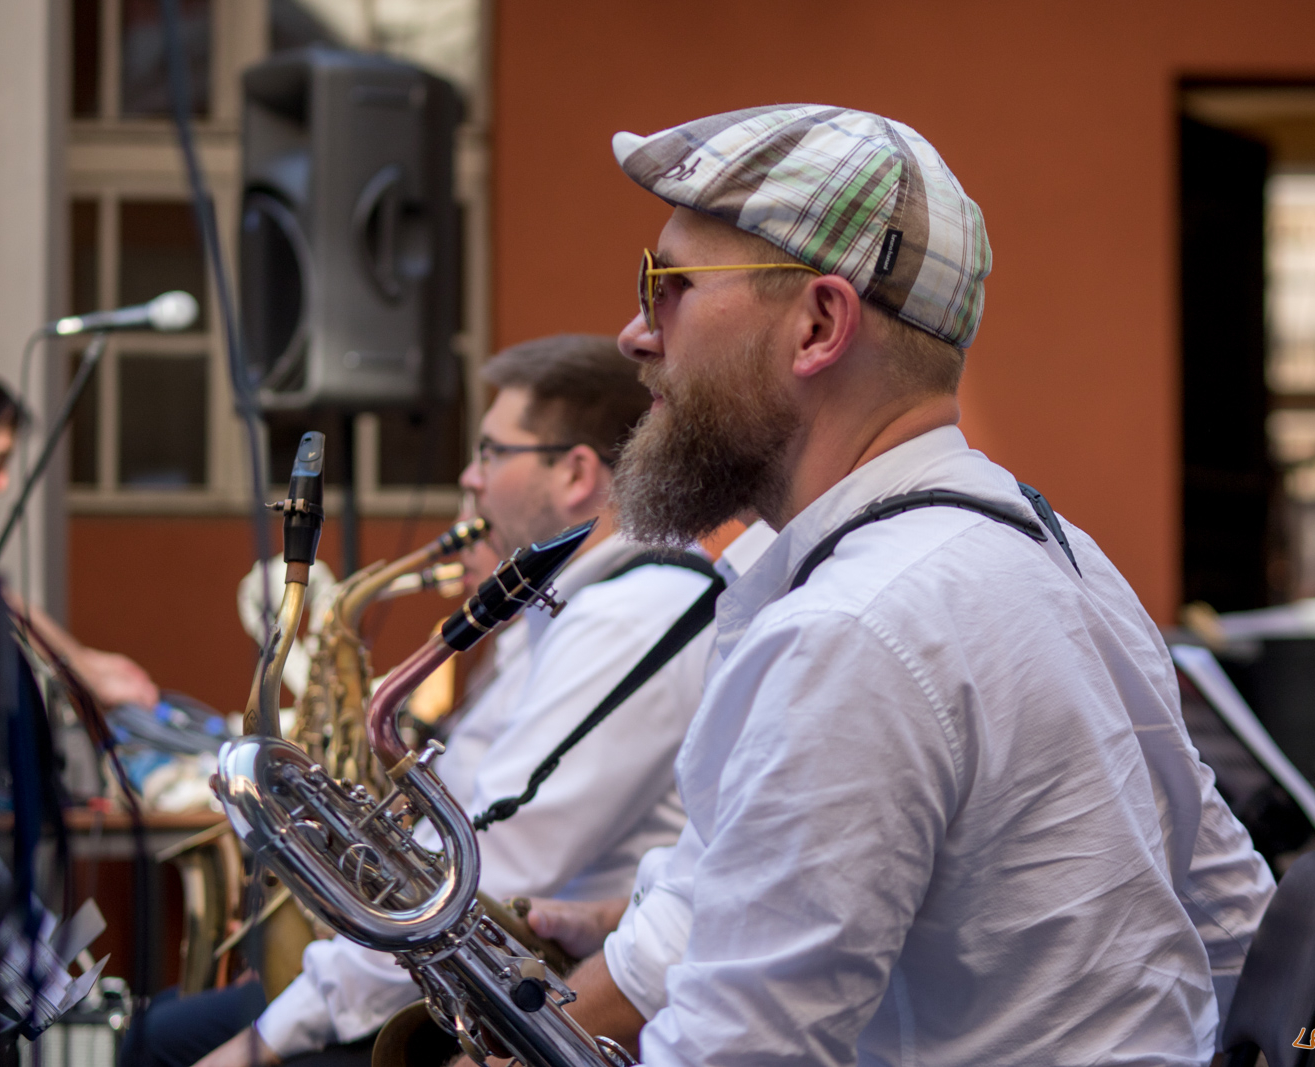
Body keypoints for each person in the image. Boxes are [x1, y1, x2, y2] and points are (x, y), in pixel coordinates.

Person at [518, 105, 1276, 1067]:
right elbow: (1235, 919)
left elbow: (737, 1055)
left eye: (665, 285)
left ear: (820, 324)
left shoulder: (853, 630)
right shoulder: (1054, 550)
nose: (635, 332)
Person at [174, 334, 721, 1067]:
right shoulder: (567, 611)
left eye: (492, 453)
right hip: (476, 977)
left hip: (529, 1000)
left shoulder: (632, 612)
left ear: (575, 473)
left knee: (164, 1041)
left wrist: (275, 1030)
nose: (472, 476)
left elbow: (473, 868)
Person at [0, 372, 159, 710]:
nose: (2, 482)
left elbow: (3, 602)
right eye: (0, 458)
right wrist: (85, 672)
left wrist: (84, 664)